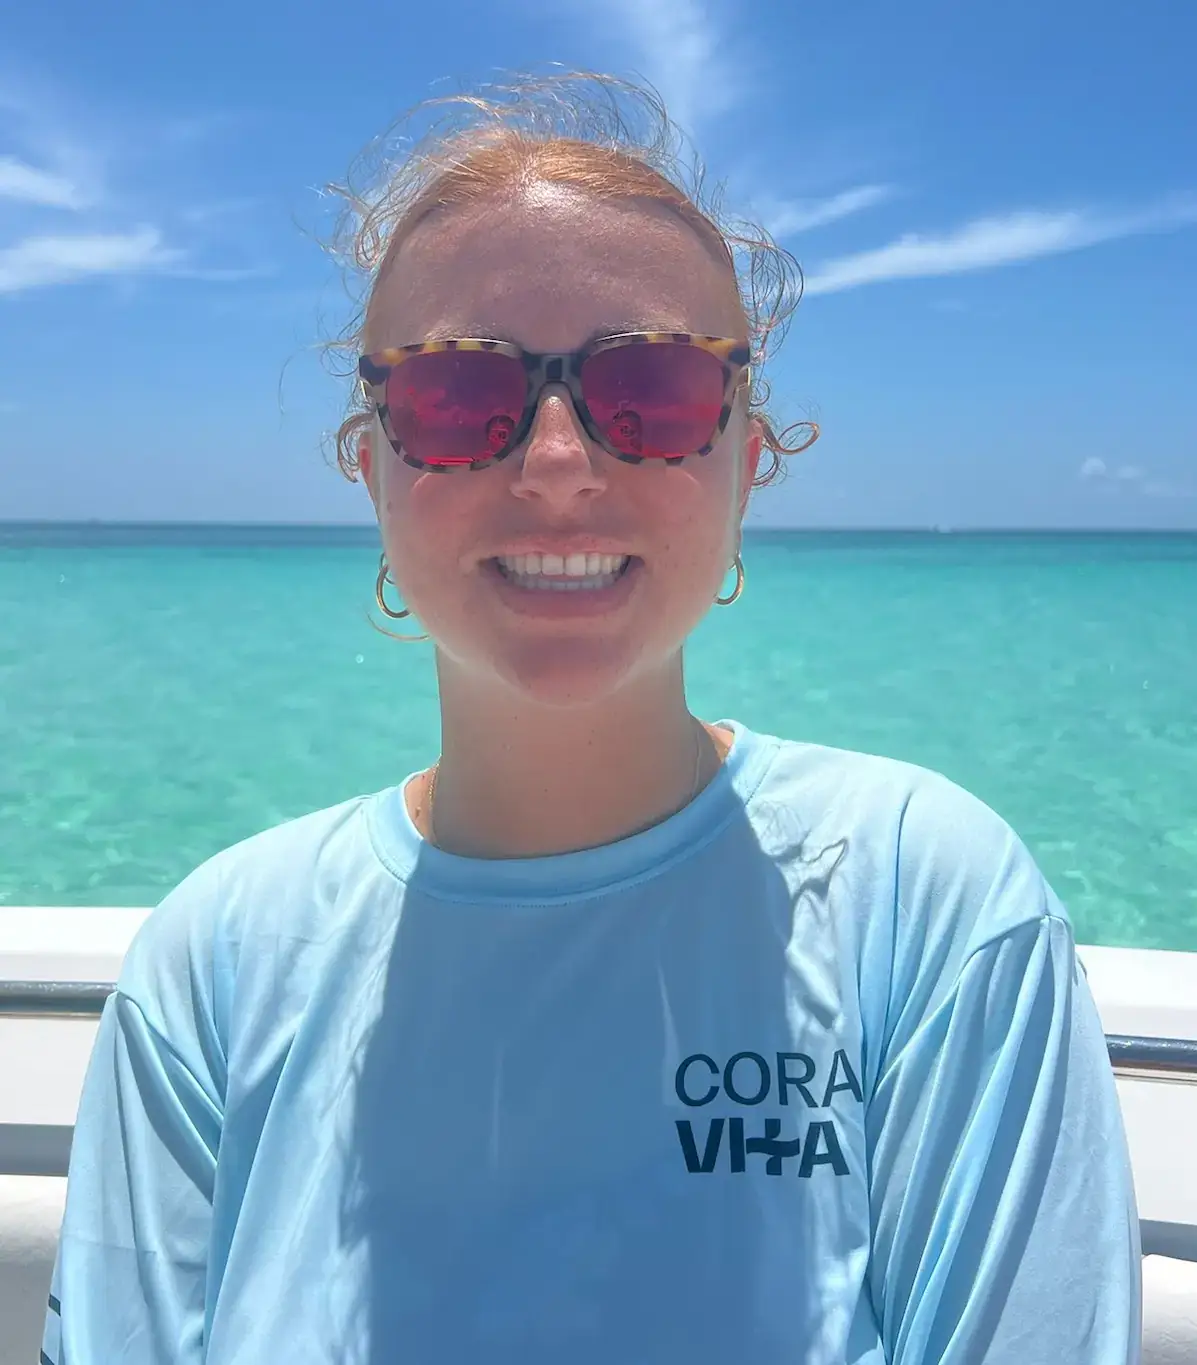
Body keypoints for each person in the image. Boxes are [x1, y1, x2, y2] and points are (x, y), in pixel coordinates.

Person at [42, 73, 1141, 1364]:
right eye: (458, 398)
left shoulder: (924, 902)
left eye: (654, 391)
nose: (558, 464)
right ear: (372, 464)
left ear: (746, 462)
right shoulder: (216, 964)